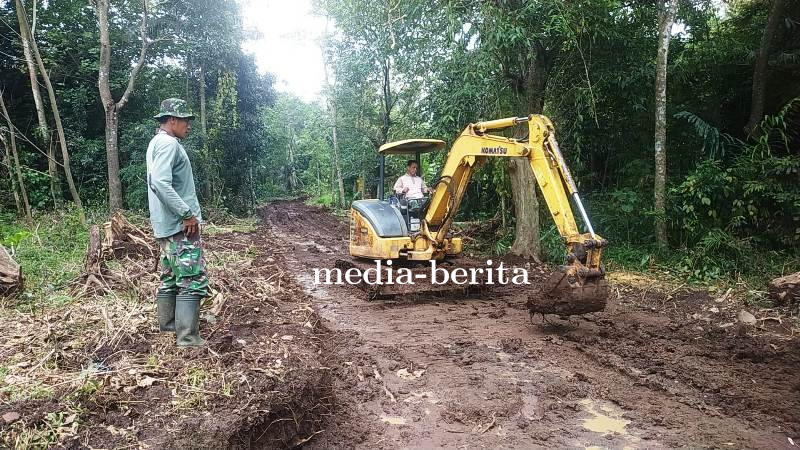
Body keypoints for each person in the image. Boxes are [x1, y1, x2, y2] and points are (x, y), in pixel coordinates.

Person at [146, 98, 208, 347]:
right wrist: (186, 213)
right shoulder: (169, 144)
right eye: (185, 120)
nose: (188, 125)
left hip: (164, 225)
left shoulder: (155, 143)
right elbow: (160, 182)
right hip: (179, 226)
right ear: (172, 120)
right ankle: (188, 337)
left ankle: (169, 325)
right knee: (191, 279)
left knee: (170, 276)